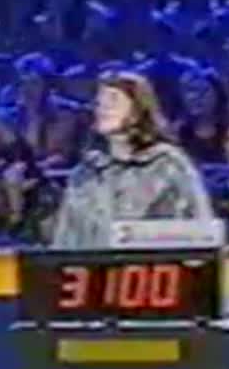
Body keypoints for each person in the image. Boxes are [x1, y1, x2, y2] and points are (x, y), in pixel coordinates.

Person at [52, 71, 216, 249]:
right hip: (92, 266)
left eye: (113, 100)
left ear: (137, 110)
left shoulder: (169, 165)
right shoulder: (85, 173)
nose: (103, 108)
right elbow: (66, 239)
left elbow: (201, 229)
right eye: (99, 103)